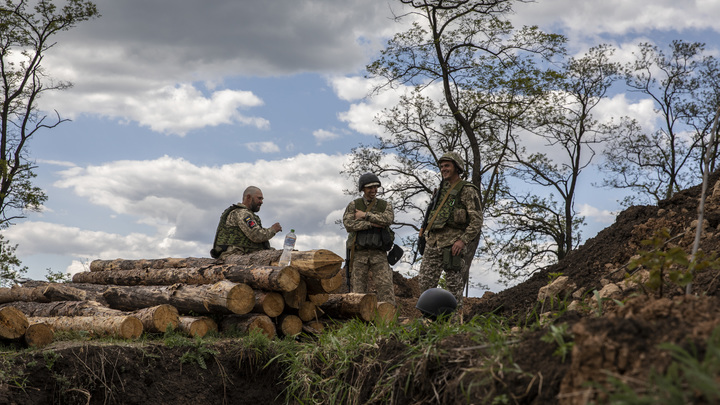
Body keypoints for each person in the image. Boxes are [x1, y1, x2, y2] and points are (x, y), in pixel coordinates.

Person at [418, 152, 482, 306]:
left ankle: (454, 325)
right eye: (441, 166)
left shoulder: (467, 189)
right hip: (433, 243)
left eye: (447, 165)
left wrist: (463, 241)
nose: (443, 169)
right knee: (425, 285)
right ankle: (428, 321)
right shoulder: (440, 190)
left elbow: (477, 220)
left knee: (454, 287)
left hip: (453, 245)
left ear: (457, 167)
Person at [343, 173, 396, 306]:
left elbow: (387, 220)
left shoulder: (385, 205)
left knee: (386, 288)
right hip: (359, 253)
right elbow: (349, 224)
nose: (373, 190)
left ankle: (389, 318)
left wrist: (364, 215)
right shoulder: (354, 205)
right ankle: (358, 321)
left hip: (379, 253)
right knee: (358, 291)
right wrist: (371, 223)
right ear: (363, 189)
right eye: (369, 187)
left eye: (375, 187)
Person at [210, 186, 282, 259]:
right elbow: (257, 235)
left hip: (241, 254)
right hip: (235, 255)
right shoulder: (242, 213)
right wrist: (273, 229)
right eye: (259, 198)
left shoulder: (244, 213)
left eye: (262, 199)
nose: (261, 202)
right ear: (248, 197)